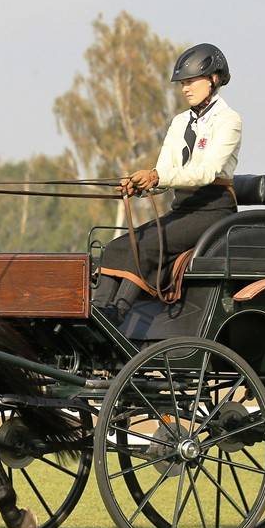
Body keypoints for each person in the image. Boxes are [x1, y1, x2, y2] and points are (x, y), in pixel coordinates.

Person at [93, 43, 242, 322]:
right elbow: (164, 171)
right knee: (116, 247)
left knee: (146, 247)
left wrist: (157, 176)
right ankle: (97, 312)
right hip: (182, 209)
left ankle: (117, 314)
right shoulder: (179, 122)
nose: (185, 89)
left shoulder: (229, 121)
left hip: (213, 211)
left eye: (191, 81)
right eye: (182, 83)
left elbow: (206, 172)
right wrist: (142, 185)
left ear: (213, 79)